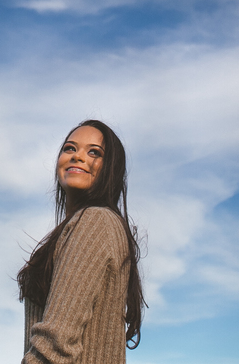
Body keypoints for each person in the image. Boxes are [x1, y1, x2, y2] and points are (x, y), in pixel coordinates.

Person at [17, 119, 145, 364]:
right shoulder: (75, 230)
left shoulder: (95, 221)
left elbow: (55, 344)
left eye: (94, 152)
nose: (77, 156)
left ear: (111, 169)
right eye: (70, 148)